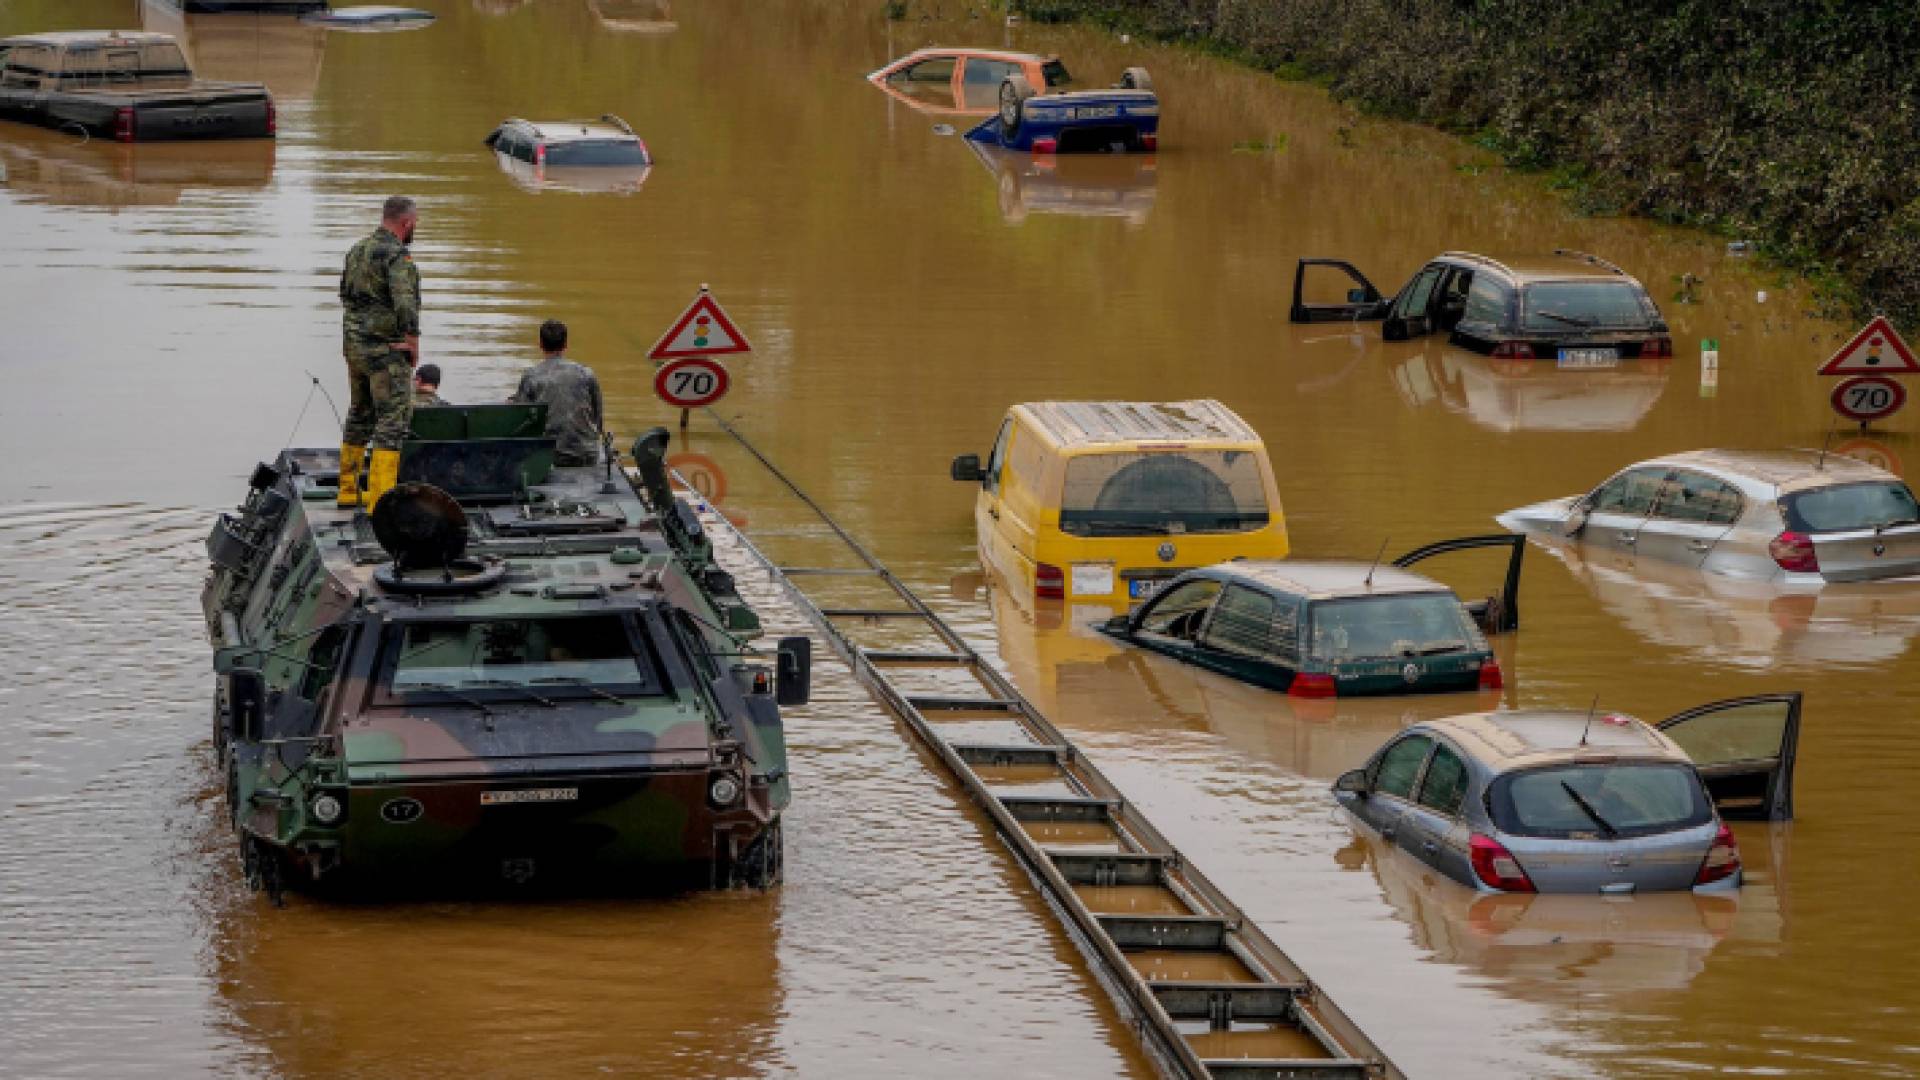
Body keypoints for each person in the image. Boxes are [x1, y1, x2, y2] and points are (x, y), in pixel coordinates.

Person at [337, 195, 422, 510]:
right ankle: (380, 501)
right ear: (407, 223)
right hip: (385, 350)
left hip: (354, 347)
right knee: (392, 421)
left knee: (359, 411)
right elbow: (405, 301)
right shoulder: (397, 257)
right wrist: (412, 342)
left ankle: (347, 489)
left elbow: (346, 295)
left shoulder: (357, 250)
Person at [510, 320, 604, 467]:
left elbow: (522, 420)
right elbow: (598, 419)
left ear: (540, 344)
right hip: (587, 454)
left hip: (552, 456)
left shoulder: (532, 376)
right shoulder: (586, 373)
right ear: (565, 345)